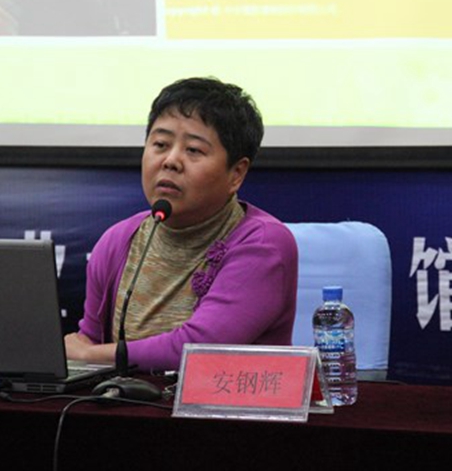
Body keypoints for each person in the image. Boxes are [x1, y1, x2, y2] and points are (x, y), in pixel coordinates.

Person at [64, 77, 298, 371]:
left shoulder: (263, 244)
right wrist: (85, 353)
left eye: (194, 150)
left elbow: (203, 348)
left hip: (224, 400)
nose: (171, 161)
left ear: (236, 174)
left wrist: (91, 355)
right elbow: (88, 342)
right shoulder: (118, 240)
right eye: (160, 144)